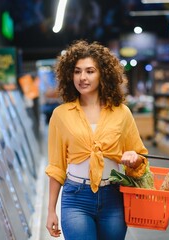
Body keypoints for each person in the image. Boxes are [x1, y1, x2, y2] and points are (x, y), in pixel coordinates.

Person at [45, 40, 149, 240]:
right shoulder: (61, 115)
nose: (82, 77)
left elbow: (140, 156)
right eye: (77, 71)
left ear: (103, 73)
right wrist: (51, 210)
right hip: (76, 198)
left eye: (90, 71)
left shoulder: (122, 113)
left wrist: (133, 158)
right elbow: (56, 167)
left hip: (113, 198)